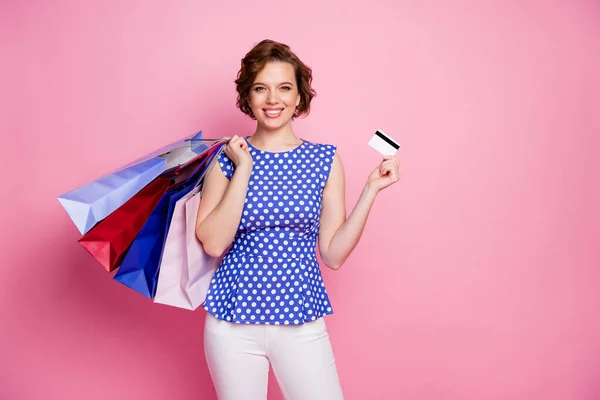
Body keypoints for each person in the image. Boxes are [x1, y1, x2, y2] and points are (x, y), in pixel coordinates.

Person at [195, 39, 400, 400]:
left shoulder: (324, 159)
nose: (273, 99)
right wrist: (243, 168)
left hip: (300, 319)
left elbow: (333, 255)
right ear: (248, 96)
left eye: (284, 88)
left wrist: (371, 190)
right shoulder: (226, 159)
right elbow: (213, 242)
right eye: (261, 88)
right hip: (232, 323)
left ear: (299, 96)